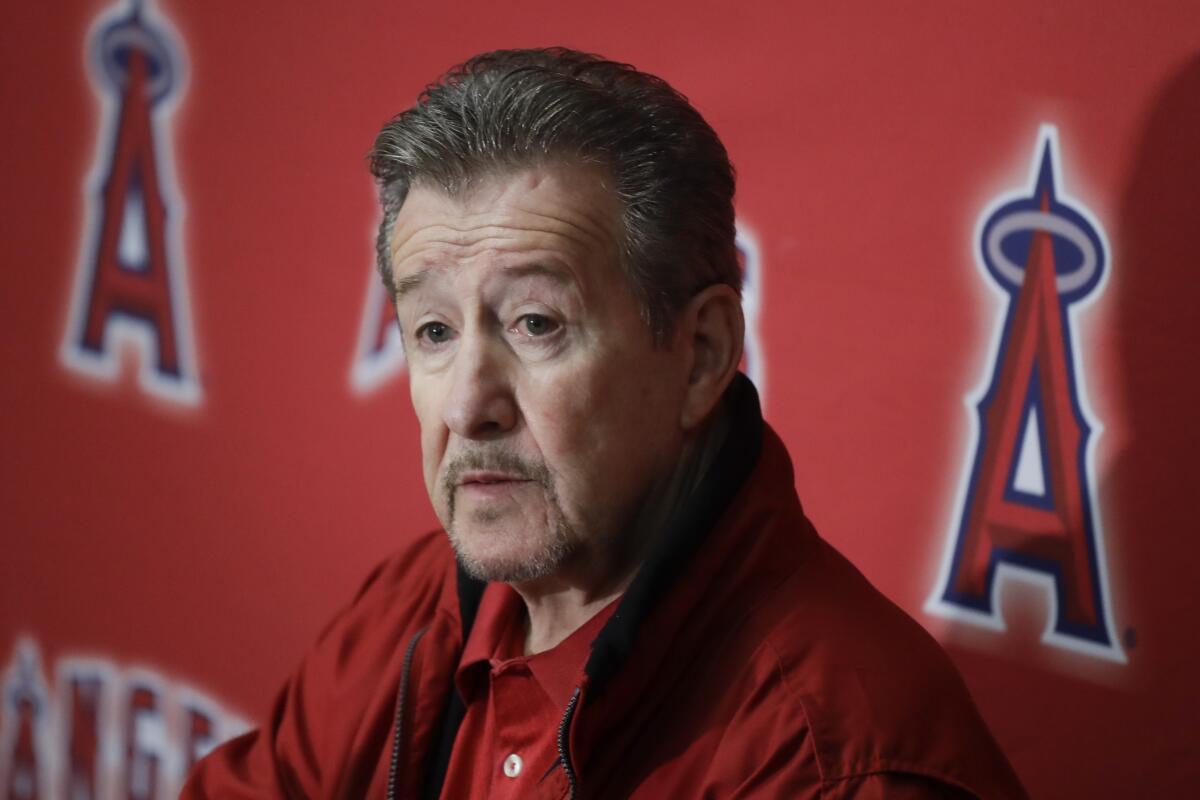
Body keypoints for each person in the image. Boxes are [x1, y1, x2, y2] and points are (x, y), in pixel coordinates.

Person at [184, 48, 1027, 799]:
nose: (467, 404)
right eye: (433, 331)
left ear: (699, 355)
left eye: (536, 324)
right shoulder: (412, 608)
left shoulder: (838, 761)